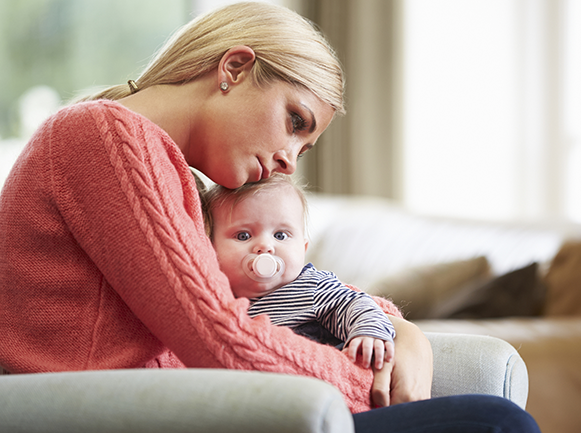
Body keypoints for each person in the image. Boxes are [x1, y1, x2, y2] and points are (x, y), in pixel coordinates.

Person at [0, 2, 540, 431]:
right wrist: (371, 375)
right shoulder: (102, 139)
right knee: (492, 421)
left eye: (303, 148)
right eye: (295, 120)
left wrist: (393, 326)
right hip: (124, 416)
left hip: (187, 407)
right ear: (235, 67)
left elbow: (272, 295)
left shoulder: (174, 176)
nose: (288, 158)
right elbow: (221, 339)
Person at [202, 174, 394, 370]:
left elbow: (355, 303)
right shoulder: (215, 299)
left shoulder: (312, 287)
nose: (265, 246)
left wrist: (367, 332)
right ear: (211, 247)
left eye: (280, 235)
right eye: (243, 235)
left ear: (303, 249)